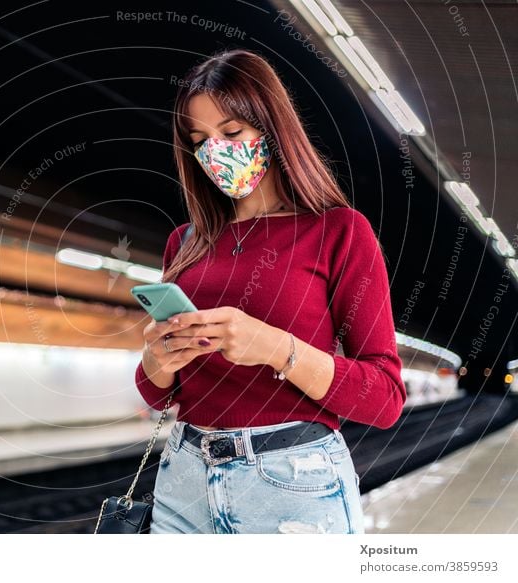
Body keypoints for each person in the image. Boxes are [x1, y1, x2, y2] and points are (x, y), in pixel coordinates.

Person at [135, 48, 407, 534]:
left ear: (273, 129)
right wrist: (157, 361)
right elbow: (161, 394)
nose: (215, 150)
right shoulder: (187, 242)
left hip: (291, 481)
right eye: (200, 140)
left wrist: (276, 349)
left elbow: (384, 399)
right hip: (183, 477)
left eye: (232, 132)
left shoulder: (339, 232)